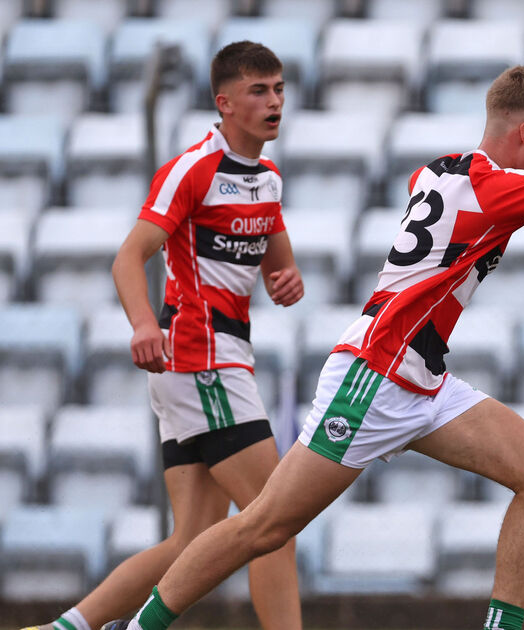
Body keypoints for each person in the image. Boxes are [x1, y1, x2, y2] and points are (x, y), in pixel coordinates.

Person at [99, 64, 524, 630]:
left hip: (422, 379)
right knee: (266, 527)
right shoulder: (493, 186)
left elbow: (485, 193)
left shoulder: (444, 168)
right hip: (374, 375)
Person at [22, 41, 305, 630]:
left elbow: (278, 260)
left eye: (278, 88)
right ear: (224, 103)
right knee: (275, 520)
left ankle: (66, 628)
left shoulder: (268, 177)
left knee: (192, 543)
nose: (274, 101)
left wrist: (287, 278)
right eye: (259, 91)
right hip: (201, 360)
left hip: (218, 363)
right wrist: (145, 323)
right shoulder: (192, 169)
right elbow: (129, 257)